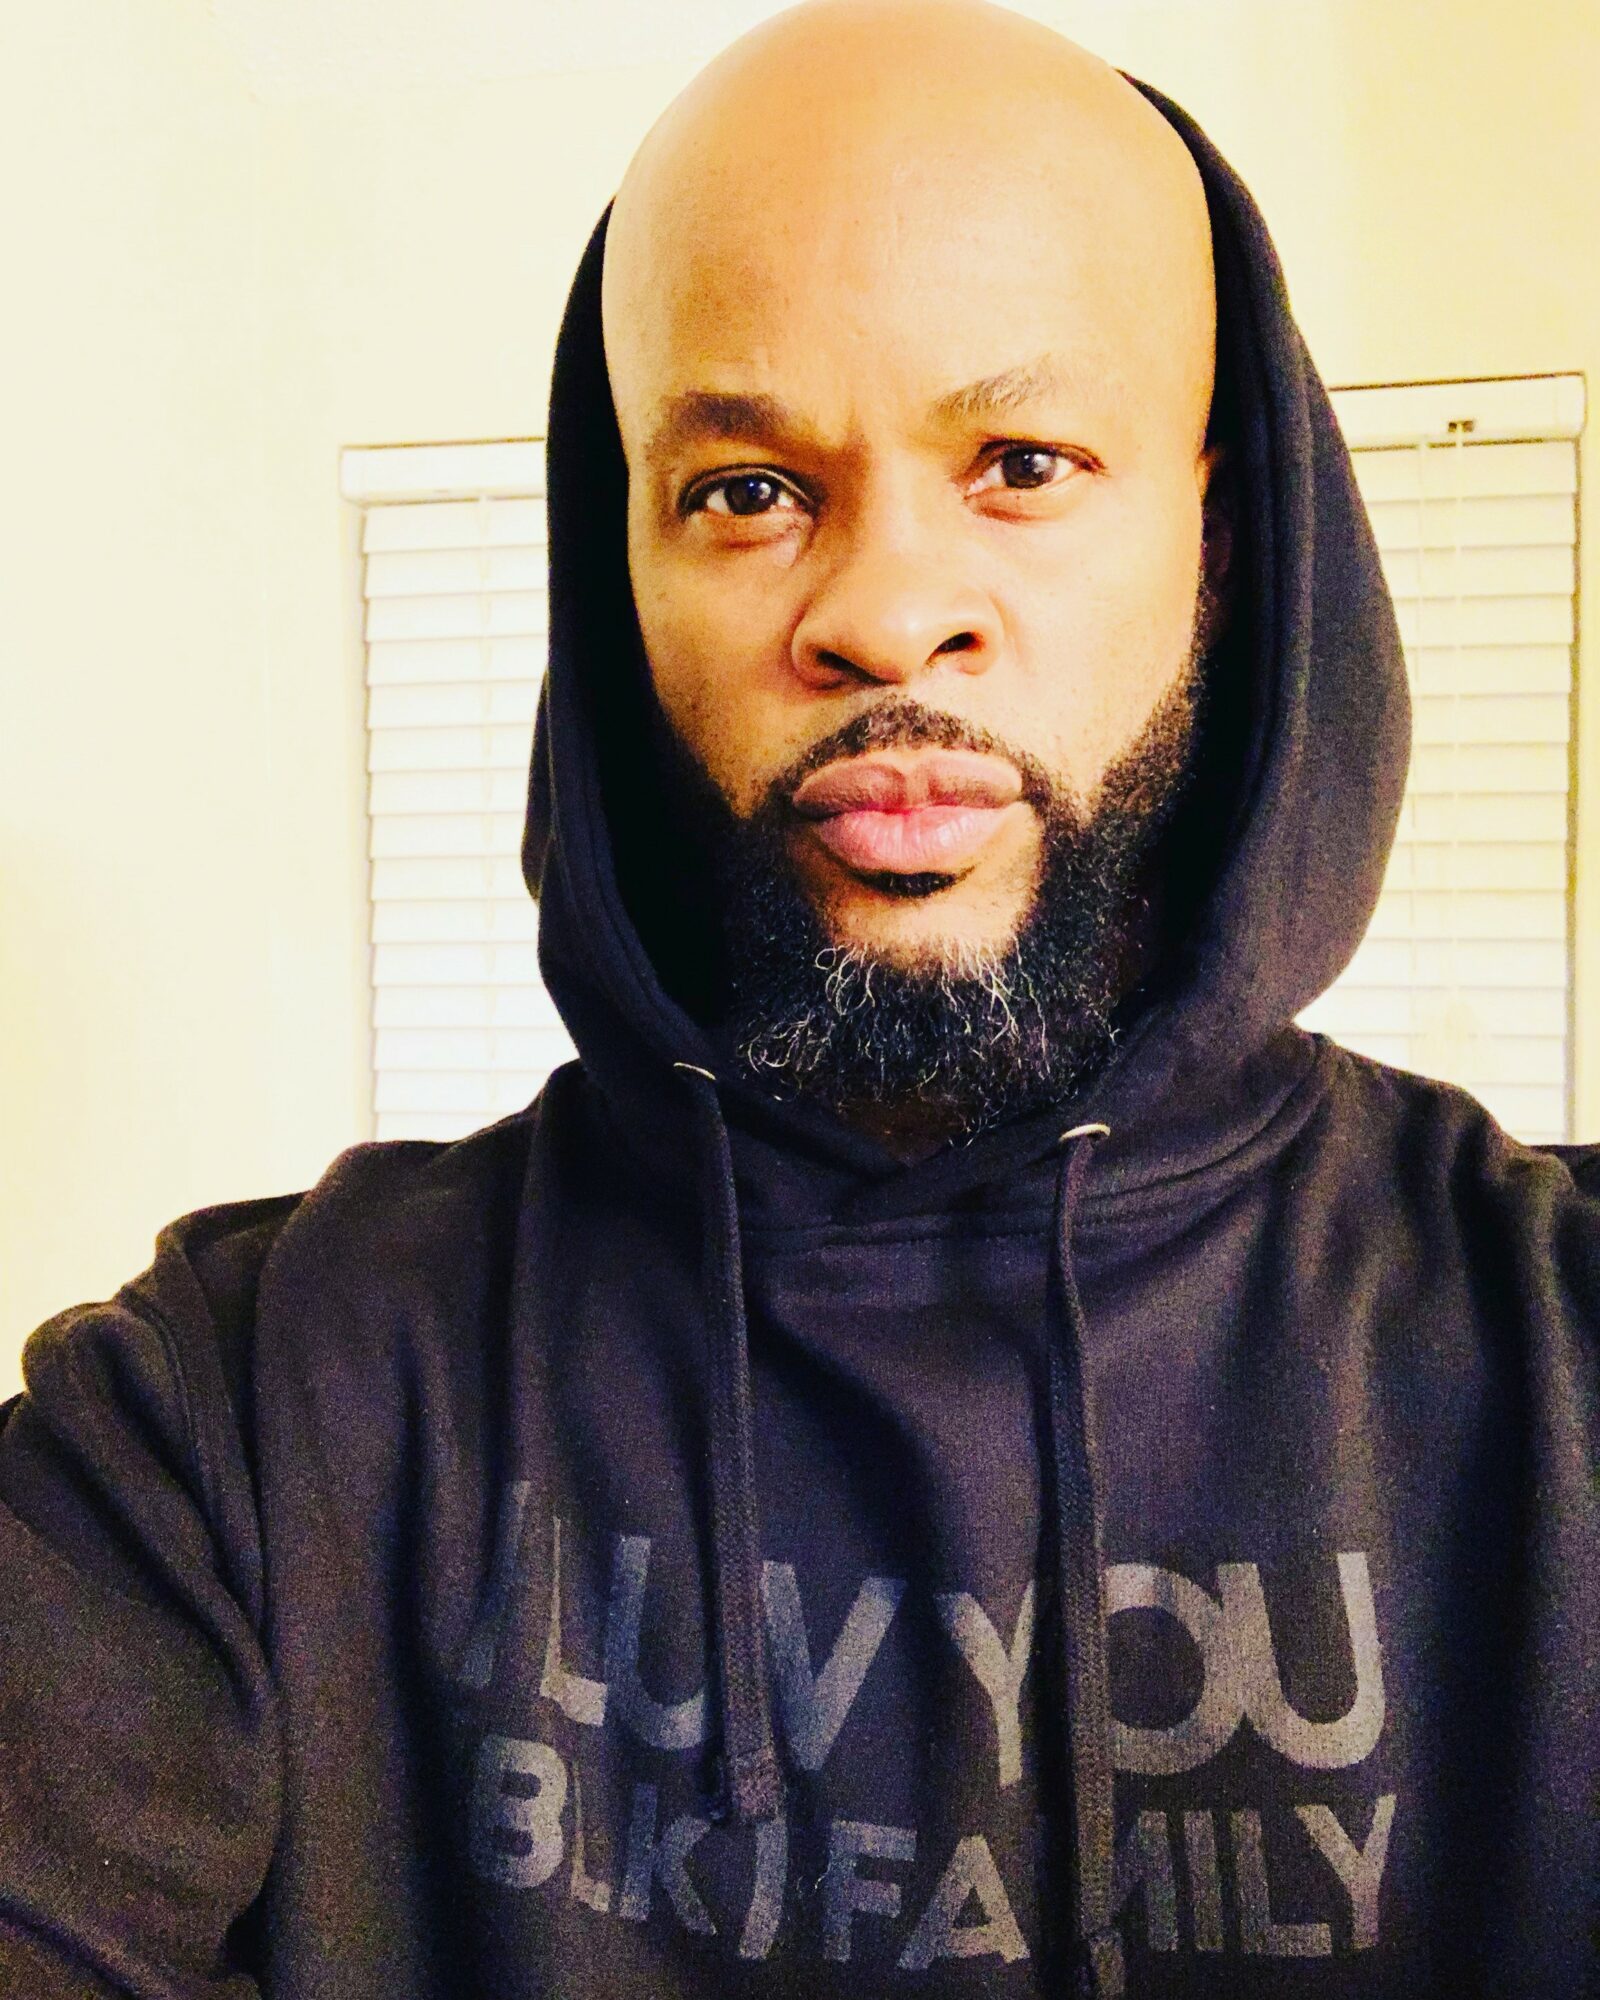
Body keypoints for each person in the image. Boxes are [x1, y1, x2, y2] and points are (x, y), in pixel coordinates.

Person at [1, 0, 1595, 1992]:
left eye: (1021, 462)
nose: (883, 611)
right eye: (748, 490)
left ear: (1220, 531)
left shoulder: (1556, 1355)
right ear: (620, 579)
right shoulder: (235, 1412)